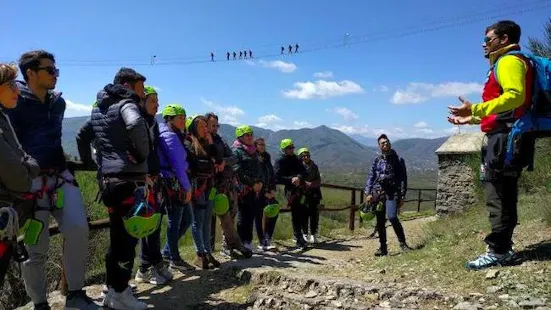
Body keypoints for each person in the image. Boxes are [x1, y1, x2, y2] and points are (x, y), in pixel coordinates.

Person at [7, 50, 97, 310]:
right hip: (30, 183)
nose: (56, 74)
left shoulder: (58, 102)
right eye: (50, 70)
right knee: (37, 247)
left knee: (79, 229)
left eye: (56, 69)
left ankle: (76, 295)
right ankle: (40, 303)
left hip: (60, 176)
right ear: (31, 73)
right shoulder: (14, 103)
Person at [448, 20, 529, 270]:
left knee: (498, 194)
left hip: (504, 139)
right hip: (507, 135)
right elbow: (502, 108)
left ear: (503, 39)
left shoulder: (509, 61)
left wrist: (477, 108)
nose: (483, 45)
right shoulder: (506, 62)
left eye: (488, 40)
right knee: (505, 192)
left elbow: (515, 96)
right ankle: (503, 247)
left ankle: (498, 251)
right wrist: (472, 118)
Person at [77, 67, 151, 309]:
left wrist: (89, 162)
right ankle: (121, 293)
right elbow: (136, 124)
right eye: (140, 88)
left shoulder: (99, 107)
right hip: (128, 180)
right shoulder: (126, 104)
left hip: (108, 181)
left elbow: (81, 135)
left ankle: (111, 291)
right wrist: (142, 155)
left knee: (117, 238)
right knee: (129, 239)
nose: (141, 93)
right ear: (128, 86)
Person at [0, 63, 40, 288]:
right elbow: (19, 178)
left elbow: (23, 157)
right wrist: (28, 175)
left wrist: (27, 165)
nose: (17, 90)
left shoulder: (3, 117)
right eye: (11, 84)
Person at [135, 86, 174, 285]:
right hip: (141, 181)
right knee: (144, 224)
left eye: (157, 101)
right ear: (141, 101)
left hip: (154, 179)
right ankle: (147, 267)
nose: (157, 105)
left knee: (153, 223)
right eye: (152, 101)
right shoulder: (137, 122)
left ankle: (151, 265)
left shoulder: (152, 123)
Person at [205, 113, 251, 259]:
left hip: (228, 182)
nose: (215, 128)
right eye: (213, 125)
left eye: (216, 125)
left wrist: (223, 162)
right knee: (215, 215)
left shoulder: (220, 140)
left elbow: (233, 158)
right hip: (213, 184)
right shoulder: (201, 140)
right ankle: (211, 248)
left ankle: (230, 245)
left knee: (232, 212)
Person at [157, 104, 195, 271]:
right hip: (174, 182)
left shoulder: (171, 134)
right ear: (169, 119)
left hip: (171, 180)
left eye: (184, 117)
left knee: (185, 218)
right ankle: (174, 258)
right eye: (180, 117)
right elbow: (178, 164)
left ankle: (168, 252)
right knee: (177, 219)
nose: (183, 120)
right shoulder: (170, 137)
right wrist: (187, 188)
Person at [185, 115, 221, 269]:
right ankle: (200, 253)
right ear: (194, 128)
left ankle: (207, 251)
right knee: (197, 221)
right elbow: (194, 166)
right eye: (202, 127)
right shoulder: (189, 143)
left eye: (206, 126)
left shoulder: (207, 143)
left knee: (206, 221)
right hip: (198, 187)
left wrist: (211, 142)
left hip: (209, 186)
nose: (205, 129)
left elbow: (218, 159)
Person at [364, 134, 410, 257]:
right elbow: (371, 176)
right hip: (378, 193)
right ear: (379, 146)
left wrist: (402, 196)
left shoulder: (398, 160)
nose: (385, 144)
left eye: (387, 142)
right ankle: (383, 248)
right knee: (380, 222)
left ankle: (403, 244)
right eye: (382, 143)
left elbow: (403, 179)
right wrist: (368, 192)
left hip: (392, 193)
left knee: (392, 217)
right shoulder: (377, 160)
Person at [232, 125, 263, 251]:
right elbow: (237, 170)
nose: (250, 137)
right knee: (243, 216)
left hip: (254, 188)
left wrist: (260, 182)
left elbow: (259, 168)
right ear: (240, 137)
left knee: (251, 215)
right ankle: (241, 242)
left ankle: (248, 242)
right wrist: (252, 184)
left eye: (251, 134)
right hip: (243, 189)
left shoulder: (253, 151)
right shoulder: (236, 151)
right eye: (247, 135)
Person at [274, 138, 308, 249]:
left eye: (293, 147)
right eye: (290, 148)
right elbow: (277, 177)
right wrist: (291, 180)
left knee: (302, 212)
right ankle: (298, 238)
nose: (292, 149)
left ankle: (301, 236)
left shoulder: (296, 158)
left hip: (301, 189)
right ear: (284, 149)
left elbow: (304, 171)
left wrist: (298, 177)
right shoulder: (280, 161)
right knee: (296, 213)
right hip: (291, 190)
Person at [255, 138, 278, 251]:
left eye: (264, 144)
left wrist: (273, 190)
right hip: (259, 193)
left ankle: (268, 238)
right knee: (260, 217)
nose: (263, 146)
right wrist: (264, 193)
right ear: (256, 146)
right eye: (260, 144)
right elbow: (258, 177)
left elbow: (272, 175)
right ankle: (262, 241)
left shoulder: (267, 158)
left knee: (274, 211)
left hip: (270, 191)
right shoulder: (254, 158)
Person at [298, 148, 322, 244]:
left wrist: (311, 184)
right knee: (303, 214)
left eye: (307, 155)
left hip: (314, 194)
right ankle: (304, 234)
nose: (306, 157)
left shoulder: (314, 166)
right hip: (303, 194)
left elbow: (318, 180)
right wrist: (304, 184)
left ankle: (313, 234)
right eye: (303, 155)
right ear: (300, 157)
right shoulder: (298, 167)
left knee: (314, 214)